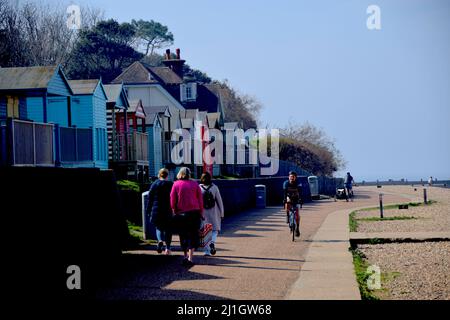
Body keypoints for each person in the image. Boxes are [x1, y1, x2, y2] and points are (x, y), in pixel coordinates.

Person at [170, 167, 204, 266]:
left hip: (181, 214)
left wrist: (174, 211)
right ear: (189, 174)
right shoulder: (195, 184)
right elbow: (200, 200)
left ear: (180, 173)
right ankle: (191, 257)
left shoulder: (176, 184)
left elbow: (172, 200)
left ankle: (185, 255)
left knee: (183, 235)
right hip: (194, 213)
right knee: (193, 235)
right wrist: (201, 213)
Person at [146, 168, 173, 255]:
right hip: (168, 210)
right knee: (168, 229)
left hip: (156, 210)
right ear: (167, 175)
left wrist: (148, 210)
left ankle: (160, 241)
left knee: (159, 228)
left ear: (159, 174)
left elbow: (150, 198)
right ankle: (168, 248)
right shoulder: (170, 184)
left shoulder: (154, 184)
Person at [199, 172, 225, 256]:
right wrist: (222, 213)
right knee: (215, 230)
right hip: (214, 212)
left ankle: (207, 251)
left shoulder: (199, 188)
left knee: (205, 232)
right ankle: (212, 242)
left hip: (203, 213)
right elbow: (219, 201)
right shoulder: (214, 187)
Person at [283, 171, 302, 237]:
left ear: (295, 177)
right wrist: (285, 200)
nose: (291, 178)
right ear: (288, 177)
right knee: (287, 204)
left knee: (297, 214)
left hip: (296, 198)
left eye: (293, 177)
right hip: (289, 197)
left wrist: (301, 200)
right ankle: (287, 216)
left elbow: (300, 192)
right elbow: (285, 193)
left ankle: (297, 229)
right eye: (290, 177)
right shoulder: (286, 183)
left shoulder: (298, 183)